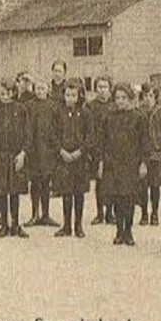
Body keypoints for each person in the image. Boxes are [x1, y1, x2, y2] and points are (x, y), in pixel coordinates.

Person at [97, 82, 148, 246]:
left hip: (131, 163)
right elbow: (103, 142)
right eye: (117, 98)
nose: (120, 101)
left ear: (130, 98)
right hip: (113, 164)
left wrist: (143, 163)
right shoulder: (108, 118)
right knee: (117, 199)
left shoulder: (139, 117)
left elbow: (144, 143)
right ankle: (119, 231)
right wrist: (101, 162)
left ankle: (128, 231)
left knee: (129, 198)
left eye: (124, 98)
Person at [0, 74, 30, 239]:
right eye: (3, 93)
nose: (6, 96)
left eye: (9, 93)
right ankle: (4, 224)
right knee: (1, 191)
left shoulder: (21, 109)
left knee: (15, 192)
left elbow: (27, 134)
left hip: (16, 157)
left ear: (14, 92)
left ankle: (16, 225)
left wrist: (23, 154)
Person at [53, 80, 92, 237]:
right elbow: (52, 135)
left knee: (79, 192)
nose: (70, 98)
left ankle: (78, 226)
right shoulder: (58, 112)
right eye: (67, 95)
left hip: (80, 158)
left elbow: (90, 136)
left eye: (73, 95)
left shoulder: (85, 113)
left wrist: (80, 152)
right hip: (64, 158)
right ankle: (67, 225)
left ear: (79, 95)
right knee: (66, 192)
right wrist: (61, 151)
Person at [22, 74, 60, 228]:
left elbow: (57, 128)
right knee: (35, 183)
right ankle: (34, 214)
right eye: (37, 88)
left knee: (46, 183)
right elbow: (26, 128)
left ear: (48, 89)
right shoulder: (28, 106)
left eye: (43, 88)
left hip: (48, 151)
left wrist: (54, 149)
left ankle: (46, 215)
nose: (40, 91)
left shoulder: (53, 106)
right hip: (33, 151)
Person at [140, 83, 161, 226]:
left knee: (155, 185)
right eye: (145, 95)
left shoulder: (160, 112)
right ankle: (144, 213)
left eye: (151, 96)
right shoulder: (139, 112)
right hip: (143, 154)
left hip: (157, 154)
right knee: (142, 186)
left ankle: (155, 213)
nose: (148, 99)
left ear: (156, 97)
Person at [86, 76, 114, 224]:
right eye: (100, 87)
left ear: (110, 89)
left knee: (111, 181)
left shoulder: (114, 105)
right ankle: (99, 213)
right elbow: (88, 128)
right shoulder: (91, 106)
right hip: (97, 148)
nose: (102, 90)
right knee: (99, 180)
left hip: (112, 149)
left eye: (105, 87)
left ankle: (110, 213)